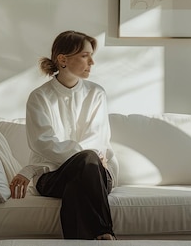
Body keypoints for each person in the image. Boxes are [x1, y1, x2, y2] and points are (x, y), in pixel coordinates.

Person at [9, 30, 118, 240]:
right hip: (51, 178)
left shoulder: (96, 93)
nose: (92, 62)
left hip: (97, 175)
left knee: (77, 184)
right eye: (85, 56)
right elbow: (43, 143)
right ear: (62, 59)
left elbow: (97, 137)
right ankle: (105, 232)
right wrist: (88, 157)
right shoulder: (39, 97)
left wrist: (90, 158)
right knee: (87, 160)